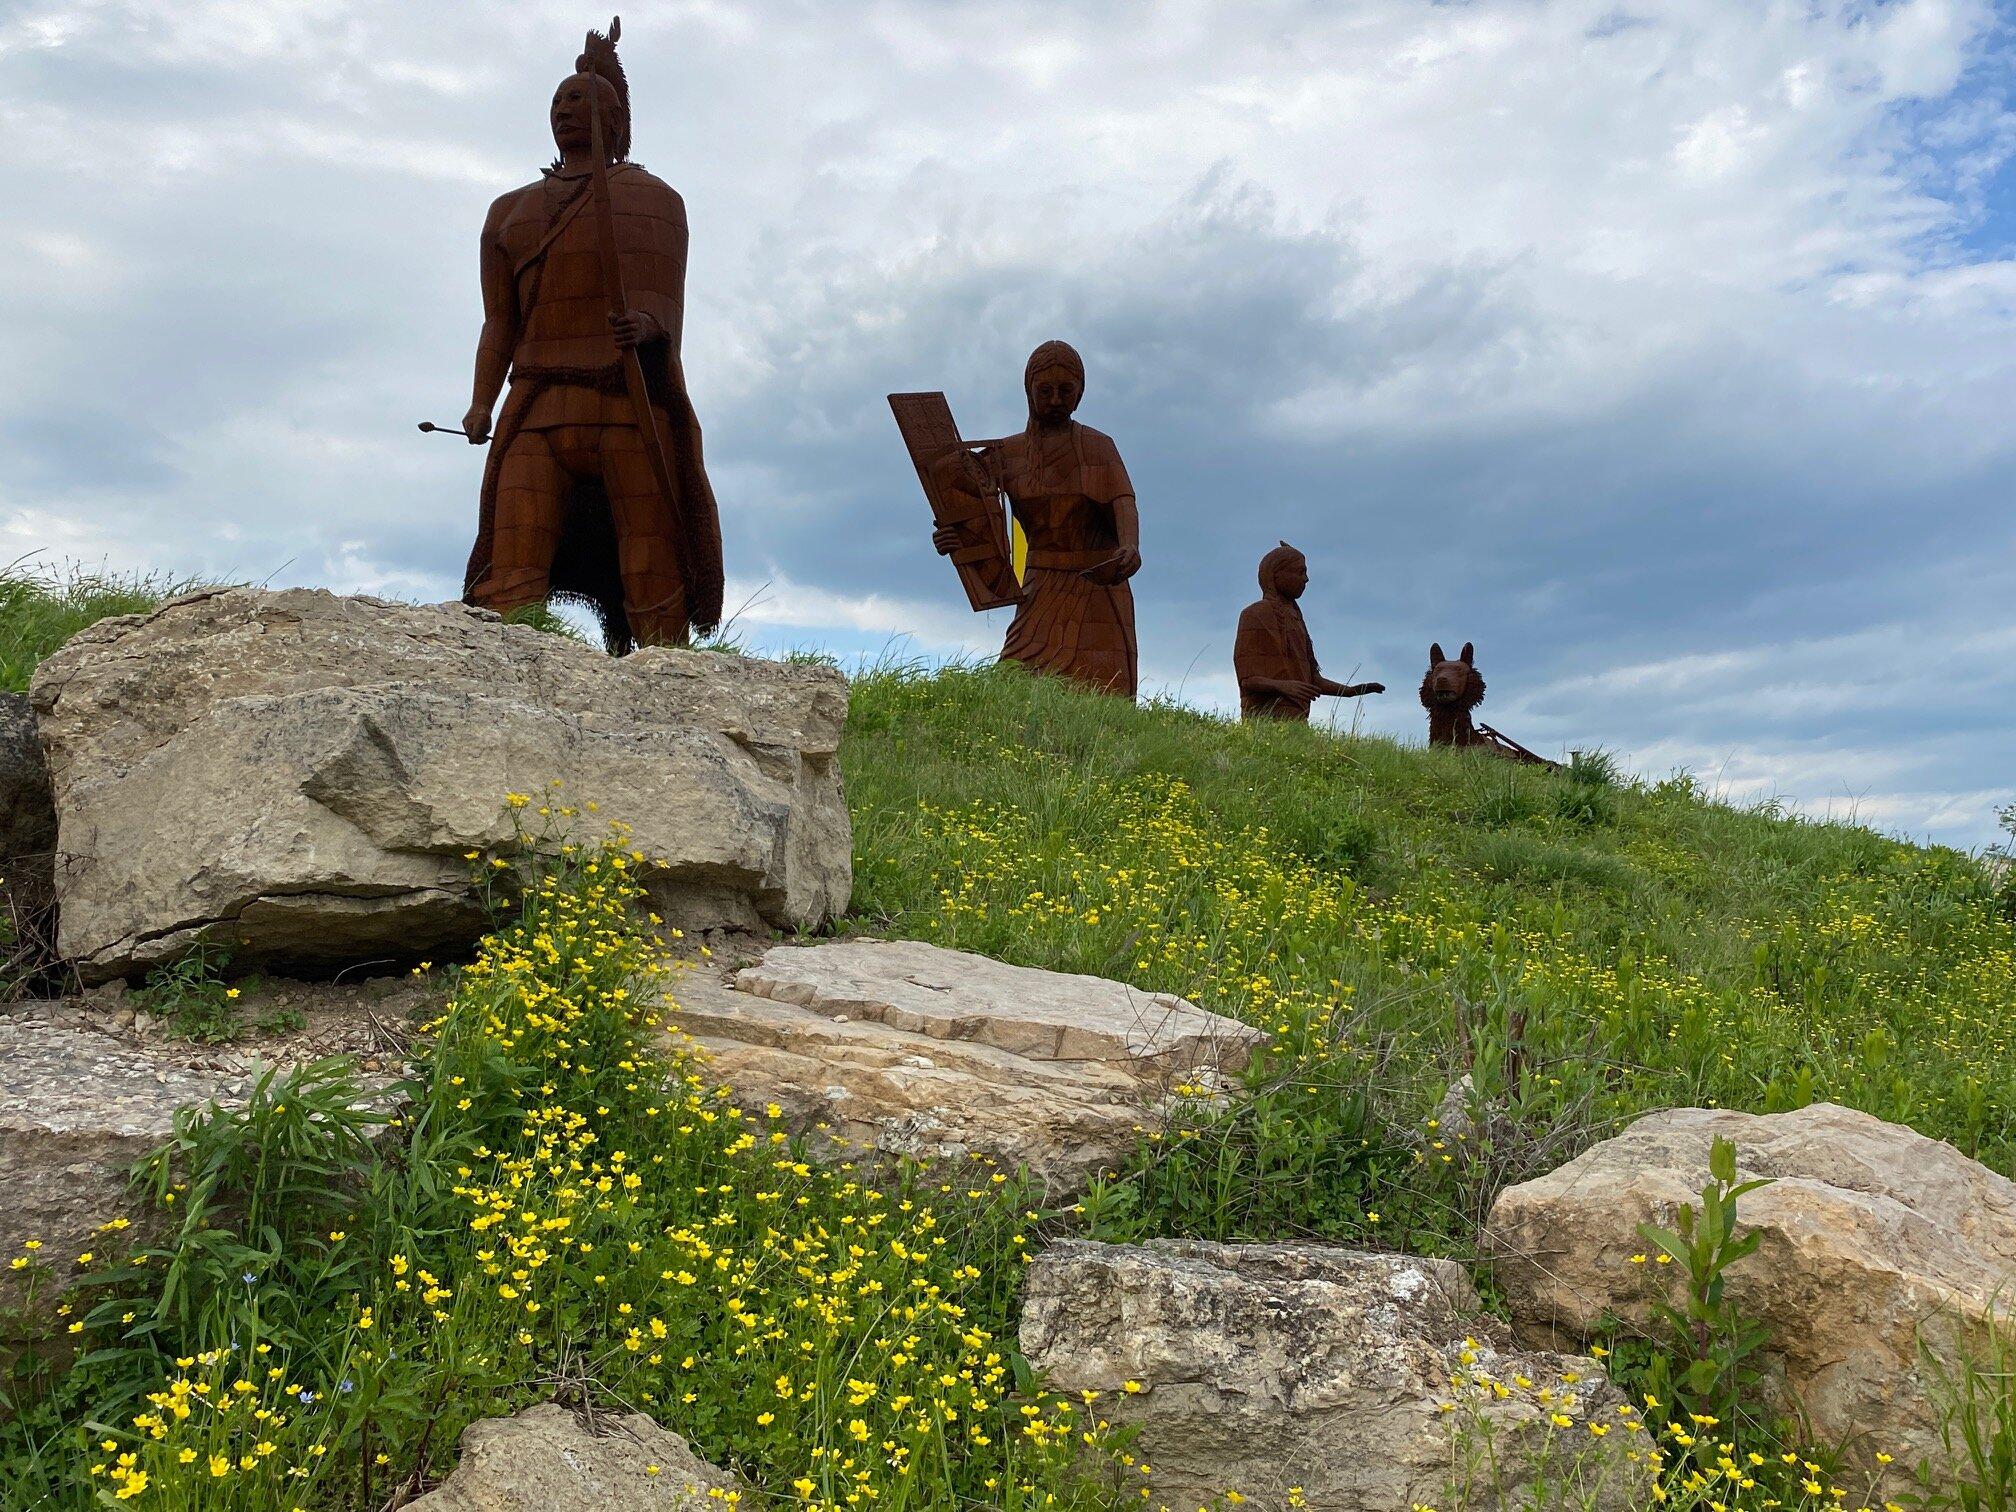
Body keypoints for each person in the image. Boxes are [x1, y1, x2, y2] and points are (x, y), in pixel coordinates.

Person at [459, 26, 722, 650]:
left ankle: (668, 672)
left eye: (579, 98)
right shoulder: (507, 212)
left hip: (626, 405)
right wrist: (480, 401)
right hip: (537, 403)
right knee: (511, 558)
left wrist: (649, 327)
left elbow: (664, 305)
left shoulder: (654, 200)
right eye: (558, 99)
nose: (565, 108)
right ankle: (501, 663)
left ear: (614, 115)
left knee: (651, 559)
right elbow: (500, 322)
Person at [933, 341, 1141, 696]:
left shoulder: (1098, 446)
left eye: (1066, 390)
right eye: (1045, 391)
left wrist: (1130, 545)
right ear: (1029, 391)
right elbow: (969, 503)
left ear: (1080, 393)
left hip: (1098, 582)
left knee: (1106, 693)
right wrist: (954, 536)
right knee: (1013, 684)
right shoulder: (1007, 453)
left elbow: (1123, 500)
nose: (1056, 400)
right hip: (1041, 585)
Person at [1234, 542, 1384, 720]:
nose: (1306, 579)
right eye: (1299, 572)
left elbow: (1312, 680)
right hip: (1263, 719)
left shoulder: (1296, 619)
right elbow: (1248, 680)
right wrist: (1282, 686)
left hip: (1297, 719)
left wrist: (1349, 691)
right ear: (1276, 574)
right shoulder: (1254, 614)